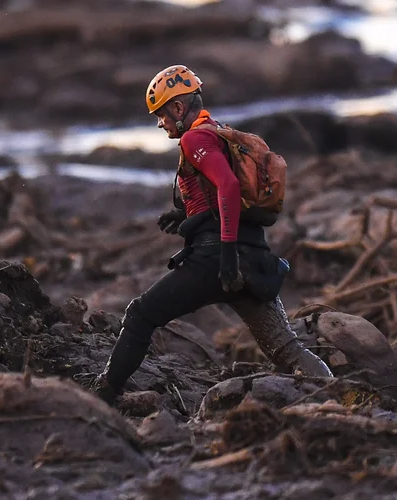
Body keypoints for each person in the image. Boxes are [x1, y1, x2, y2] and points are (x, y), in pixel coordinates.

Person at [95, 65, 332, 405]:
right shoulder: (218, 132)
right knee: (286, 348)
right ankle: (340, 396)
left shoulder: (195, 138)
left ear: (178, 108)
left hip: (217, 260)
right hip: (252, 259)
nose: (160, 123)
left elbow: (230, 186)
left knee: (139, 315)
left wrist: (226, 255)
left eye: (161, 114)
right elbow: (219, 197)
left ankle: (103, 395)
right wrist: (185, 216)